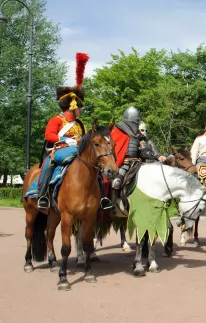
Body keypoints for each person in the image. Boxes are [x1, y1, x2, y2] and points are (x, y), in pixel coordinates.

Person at [38, 53, 112, 210]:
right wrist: (66, 140)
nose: (81, 110)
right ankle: (43, 194)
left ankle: (103, 197)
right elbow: (48, 136)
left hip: (78, 151)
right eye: (80, 107)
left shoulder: (80, 123)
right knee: (48, 165)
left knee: (96, 168)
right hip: (60, 149)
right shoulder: (56, 120)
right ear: (72, 106)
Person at [110, 106, 143, 191]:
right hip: (123, 165)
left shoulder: (138, 135)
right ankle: (111, 201)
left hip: (137, 162)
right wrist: (122, 160)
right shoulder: (117, 132)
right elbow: (112, 152)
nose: (136, 124)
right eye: (135, 122)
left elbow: (144, 149)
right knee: (116, 182)